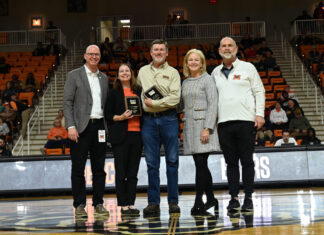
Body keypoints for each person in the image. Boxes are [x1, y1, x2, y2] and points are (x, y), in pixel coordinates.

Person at [211, 36, 265, 212]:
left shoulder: (248, 67)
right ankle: (234, 198)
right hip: (224, 124)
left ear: (236, 49)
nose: (227, 48)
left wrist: (259, 114)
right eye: (223, 46)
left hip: (245, 121)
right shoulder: (215, 72)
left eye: (230, 45)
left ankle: (248, 198)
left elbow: (259, 91)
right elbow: (212, 101)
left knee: (247, 161)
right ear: (219, 50)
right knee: (231, 163)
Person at [63, 45, 109, 218]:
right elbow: (67, 103)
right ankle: (79, 205)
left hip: (99, 128)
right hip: (80, 129)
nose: (94, 57)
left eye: (97, 54)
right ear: (84, 56)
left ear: (100, 56)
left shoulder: (104, 78)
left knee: (99, 169)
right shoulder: (73, 75)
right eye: (90, 54)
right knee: (78, 169)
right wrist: (70, 126)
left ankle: (98, 204)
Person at [137, 39, 181, 216]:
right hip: (148, 121)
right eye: (155, 49)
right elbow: (138, 94)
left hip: (169, 119)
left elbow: (175, 98)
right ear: (150, 52)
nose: (159, 52)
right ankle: (153, 203)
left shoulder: (173, 73)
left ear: (167, 52)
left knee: (172, 161)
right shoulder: (142, 72)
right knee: (151, 164)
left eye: (162, 49)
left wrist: (155, 103)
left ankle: (173, 202)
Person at [181, 49, 219, 215]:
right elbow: (181, 105)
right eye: (191, 60)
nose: (194, 62)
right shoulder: (185, 82)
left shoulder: (208, 79)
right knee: (201, 165)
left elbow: (213, 104)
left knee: (201, 165)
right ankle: (210, 198)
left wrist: (207, 128)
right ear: (186, 63)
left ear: (202, 62)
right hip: (189, 127)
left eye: (197, 60)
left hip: (203, 128)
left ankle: (198, 201)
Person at [105, 64, 142, 215]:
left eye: (127, 71)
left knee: (133, 172)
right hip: (120, 137)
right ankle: (123, 204)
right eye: (122, 71)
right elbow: (108, 115)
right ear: (118, 75)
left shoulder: (138, 91)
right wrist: (121, 117)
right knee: (121, 173)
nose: (125, 73)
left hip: (137, 135)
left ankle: (131, 203)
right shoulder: (114, 93)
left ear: (131, 74)